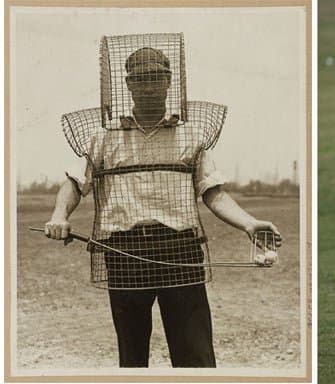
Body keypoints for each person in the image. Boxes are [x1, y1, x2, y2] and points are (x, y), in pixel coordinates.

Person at [44, 44, 281, 367]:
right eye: (141, 79)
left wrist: (249, 223)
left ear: (170, 81)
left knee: (195, 356)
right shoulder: (104, 136)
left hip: (179, 249)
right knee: (132, 358)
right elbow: (74, 184)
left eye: (157, 77)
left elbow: (214, 192)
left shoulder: (191, 134)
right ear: (128, 84)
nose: (150, 87)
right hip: (124, 251)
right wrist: (60, 215)